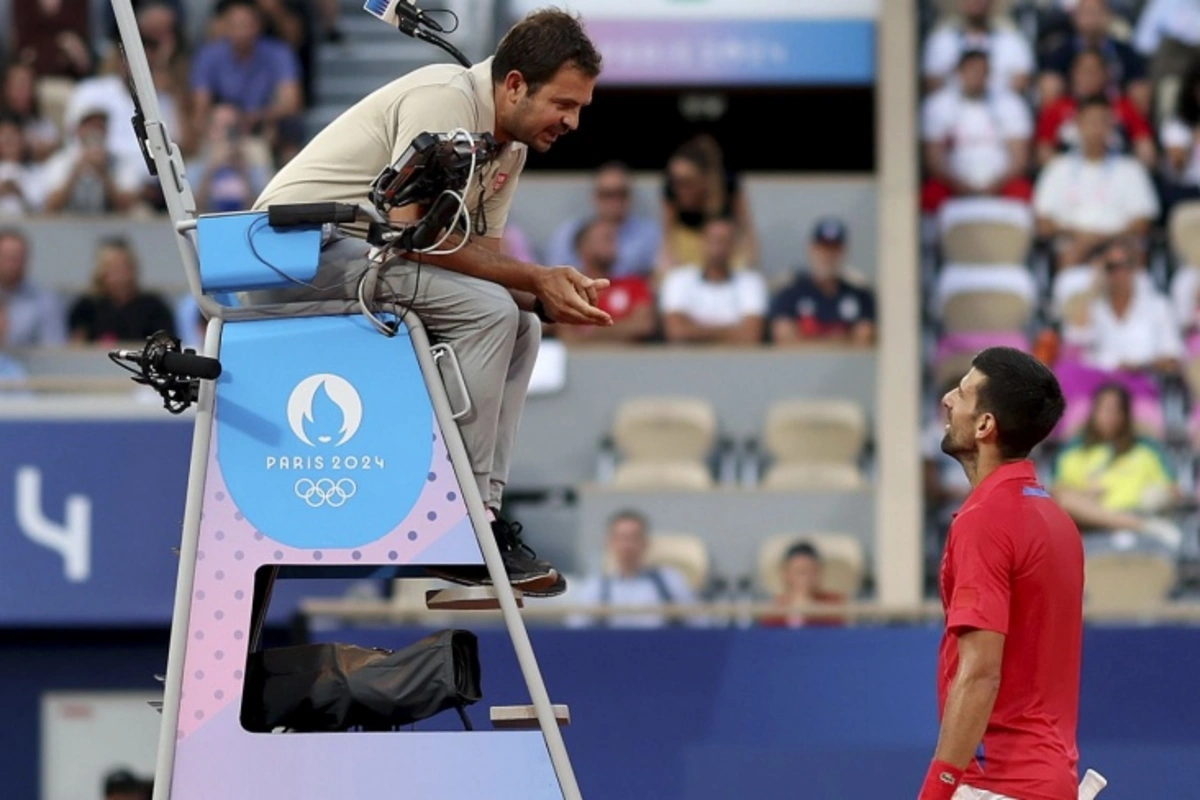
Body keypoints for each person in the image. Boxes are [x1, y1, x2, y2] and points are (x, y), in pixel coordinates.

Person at [251, 9, 608, 597]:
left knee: (519, 323)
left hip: (360, 252)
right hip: (292, 253)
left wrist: (549, 296)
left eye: (579, 109)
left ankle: (483, 517)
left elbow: (480, 257)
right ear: (515, 84)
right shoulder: (446, 99)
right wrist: (534, 276)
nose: (572, 121)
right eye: (564, 104)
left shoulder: (508, 148)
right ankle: (453, 524)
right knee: (493, 312)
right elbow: (408, 231)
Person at [919, 347, 1082, 800]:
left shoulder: (983, 521)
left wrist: (938, 789)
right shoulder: (1056, 519)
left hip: (996, 784)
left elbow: (980, 673)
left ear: (986, 425)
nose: (948, 400)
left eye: (963, 393)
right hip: (1052, 779)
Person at [1051, 383, 1183, 548]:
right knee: (1065, 499)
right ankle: (1136, 524)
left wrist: (1160, 494)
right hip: (1093, 524)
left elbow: (1171, 489)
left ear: (1125, 415)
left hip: (1137, 513)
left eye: (1116, 410)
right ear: (1094, 411)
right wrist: (1086, 493)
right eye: (1105, 409)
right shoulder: (1073, 454)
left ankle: (1132, 523)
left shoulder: (1146, 452)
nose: (1109, 416)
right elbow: (1059, 493)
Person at [565, 510, 700, 628]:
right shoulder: (594, 588)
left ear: (646, 543)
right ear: (610, 543)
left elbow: (700, 626)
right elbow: (576, 633)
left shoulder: (671, 582)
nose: (628, 546)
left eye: (634, 538)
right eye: (622, 538)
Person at [660, 215, 767, 346]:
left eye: (724, 240)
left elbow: (751, 335)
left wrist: (693, 327)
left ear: (734, 246)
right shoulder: (678, 279)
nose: (718, 247)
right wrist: (734, 330)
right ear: (702, 242)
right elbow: (676, 332)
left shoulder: (751, 282)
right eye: (713, 240)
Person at [768, 217, 876, 346]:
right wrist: (841, 339)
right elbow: (785, 340)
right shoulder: (789, 294)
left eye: (834, 248)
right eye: (823, 247)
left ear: (844, 252)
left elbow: (863, 340)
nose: (828, 255)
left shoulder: (860, 296)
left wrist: (807, 340)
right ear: (811, 248)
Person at [544, 161, 660, 278]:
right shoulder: (570, 232)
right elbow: (554, 275)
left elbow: (658, 276)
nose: (614, 201)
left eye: (621, 193)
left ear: (630, 196)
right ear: (595, 196)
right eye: (607, 194)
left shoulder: (649, 233)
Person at [549, 218, 655, 345]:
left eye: (614, 239)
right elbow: (567, 337)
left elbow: (642, 326)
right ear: (583, 247)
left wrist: (588, 331)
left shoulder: (635, 285)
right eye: (606, 238)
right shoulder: (569, 290)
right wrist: (622, 329)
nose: (613, 244)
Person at [68, 238, 176, 343]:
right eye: (113, 267)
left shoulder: (154, 307)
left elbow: (164, 344)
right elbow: (77, 347)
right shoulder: (86, 308)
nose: (120, 273)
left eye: (124, 266)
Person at [758, 541, 846, 628]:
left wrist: (815, 610)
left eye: (813, 572)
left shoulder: (834, 604)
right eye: (800, 572)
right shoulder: (775, 609)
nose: (806, 578)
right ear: (786, 574)